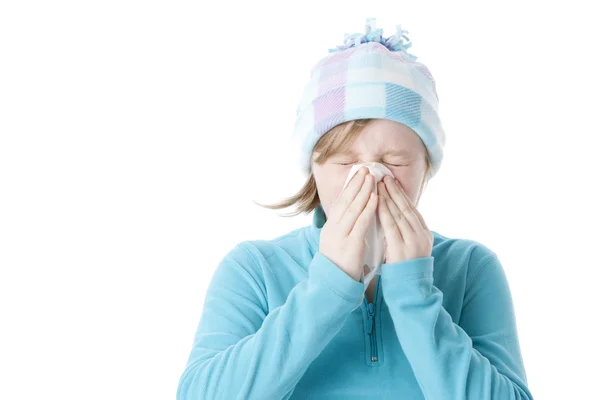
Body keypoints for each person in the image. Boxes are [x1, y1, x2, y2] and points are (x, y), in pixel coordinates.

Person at [176, 18, 533, 399]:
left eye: (394, 161)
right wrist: (328, 285)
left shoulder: (470, 267)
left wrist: (414, 292)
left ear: (425, 167)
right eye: (345, 163)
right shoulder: (255, 268)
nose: (370, 178)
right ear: (313, 167)